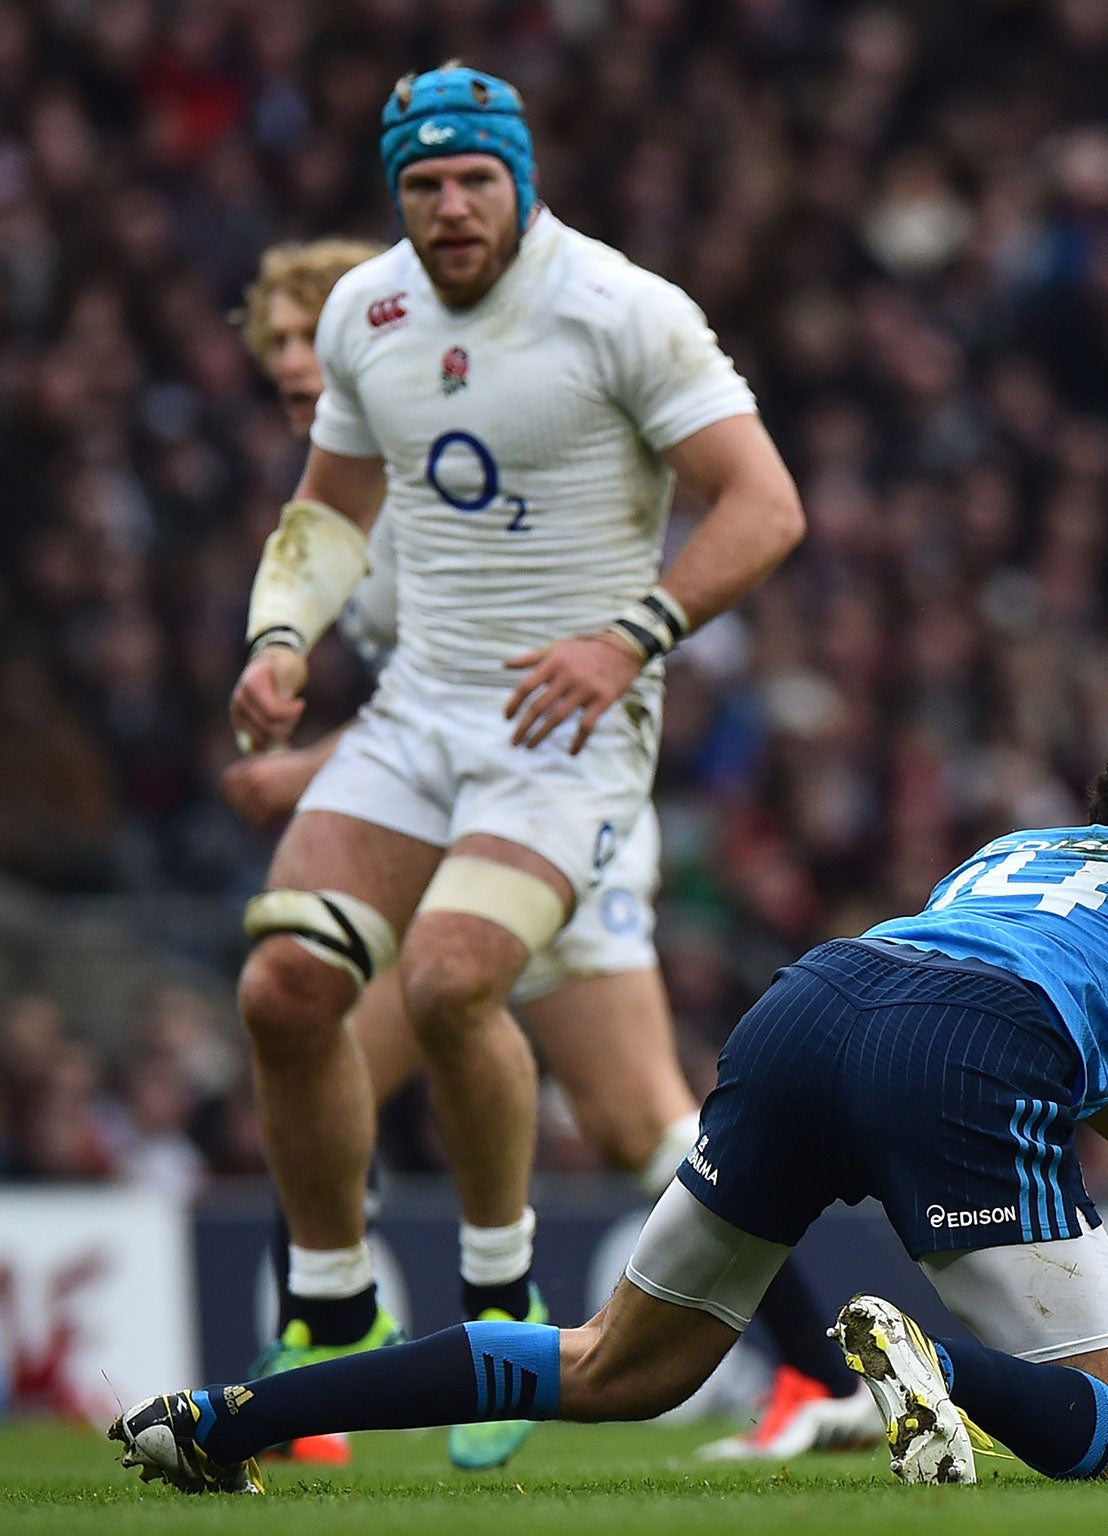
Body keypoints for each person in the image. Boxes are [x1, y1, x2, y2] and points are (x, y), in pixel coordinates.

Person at [110, 798, 1108, 1492]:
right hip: (971, 1047)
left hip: (815, 1000)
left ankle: (232, 1419)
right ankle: (932, 1361)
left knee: (615, 1366)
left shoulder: (1026, 851)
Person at [220, 62, 807, 1472]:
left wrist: (631, 634)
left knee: (464, 993)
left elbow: (767, 502)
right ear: (396, 194)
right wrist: (281, 637)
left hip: (569, 735)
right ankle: (332, 1306)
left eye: (475, 177)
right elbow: (329, 507)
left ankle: (506, 1293)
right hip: (421, 718)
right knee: (285, 987)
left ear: (521, 177)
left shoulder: (622, 310)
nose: (450, 205)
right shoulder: (369, 313)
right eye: (423, 183)